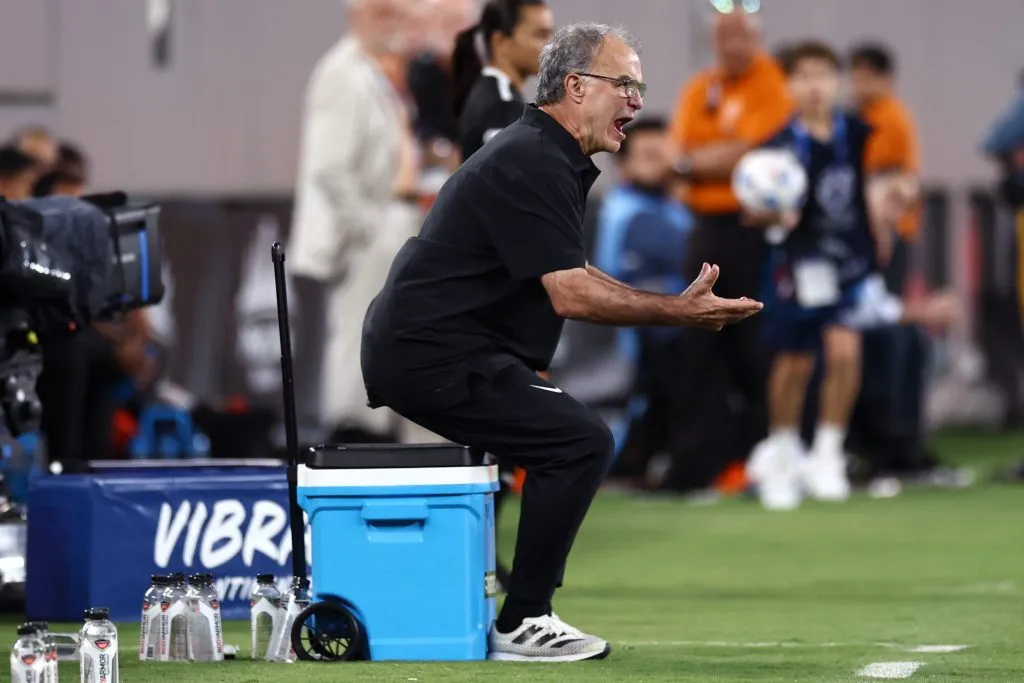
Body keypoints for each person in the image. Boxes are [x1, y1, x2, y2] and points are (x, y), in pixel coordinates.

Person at [361, 22, 762, 661]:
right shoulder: (535, 158)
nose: (636, 101)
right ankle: (524, 619)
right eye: (624, 84)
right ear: (575, 87)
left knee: (549, 444)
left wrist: (676, 307)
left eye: (639, 88)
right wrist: (677, 314)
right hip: (432, 353)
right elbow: (570, 294)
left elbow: (570, 270)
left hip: (450, 348)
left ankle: (485, 602)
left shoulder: (545, 152)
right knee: (578, 442)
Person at [745, 41, 953, 510]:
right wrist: (773, 215)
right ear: (789, 85)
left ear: (836, 82)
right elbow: (756, 211)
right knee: (795, 361)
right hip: (800, 262)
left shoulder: (855, 131)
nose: (814, 86)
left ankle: (828, 452)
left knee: (845, 351)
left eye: (823, 75)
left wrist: (879, 217)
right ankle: (783, 453)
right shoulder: (778, 146)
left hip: (847, 258)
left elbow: (866, 185)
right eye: (803, 76)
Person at [447, 0, 555, 594]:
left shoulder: (509, 103)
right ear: (499, 40)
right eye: (537, 34)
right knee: (501, 432)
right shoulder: (494, 109)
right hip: (494, 302)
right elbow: (506, 211)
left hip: (504, 296)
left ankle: (483, 557)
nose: (547, 45)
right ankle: (477, 559)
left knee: (505, 436)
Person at [662, 11, 792, 492]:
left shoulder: (771, 83)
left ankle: (753, 462)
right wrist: (693, 162)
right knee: (698, 341)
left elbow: (752, 152)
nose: (732, 44)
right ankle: (695, 466)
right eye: (723, 36)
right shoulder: (700, 88)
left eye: (741, 35)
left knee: (755, 345)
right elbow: (674, 153)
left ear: (757, 38)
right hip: (706, 231)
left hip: (753, 229)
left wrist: (692, 163)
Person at [287, 0, 424, 443]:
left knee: (379, 337)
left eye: (397, 14)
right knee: (356, 340)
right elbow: (330, 168)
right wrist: (369, 228)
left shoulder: (372, 72)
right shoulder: (342, 73)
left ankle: (374, 432)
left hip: (383, 223)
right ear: (357, 15)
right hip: (366, 233)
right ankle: (355, 437)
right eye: (384, 14)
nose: (394, 24)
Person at [591, 116, 693, 482]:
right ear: (625, 164)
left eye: (665, 154)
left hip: (682, 327)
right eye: (649, 155)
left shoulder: (678, 210)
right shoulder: (624, 212)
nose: (661, 163)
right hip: (640, 335)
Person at [849, 43, 921, 294]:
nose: (858, 87)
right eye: (855, 79)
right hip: (872, 225)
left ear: (886, 79)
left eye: (866, 79)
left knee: (885, 302)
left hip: (890, 227)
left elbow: (874, 172)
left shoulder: (888, 117)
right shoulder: (863, 115)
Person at [451, 0, 555, 160]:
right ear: (500, 42)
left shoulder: (497, 97)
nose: (551, 46)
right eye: (540, 35)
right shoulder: (500, 105)